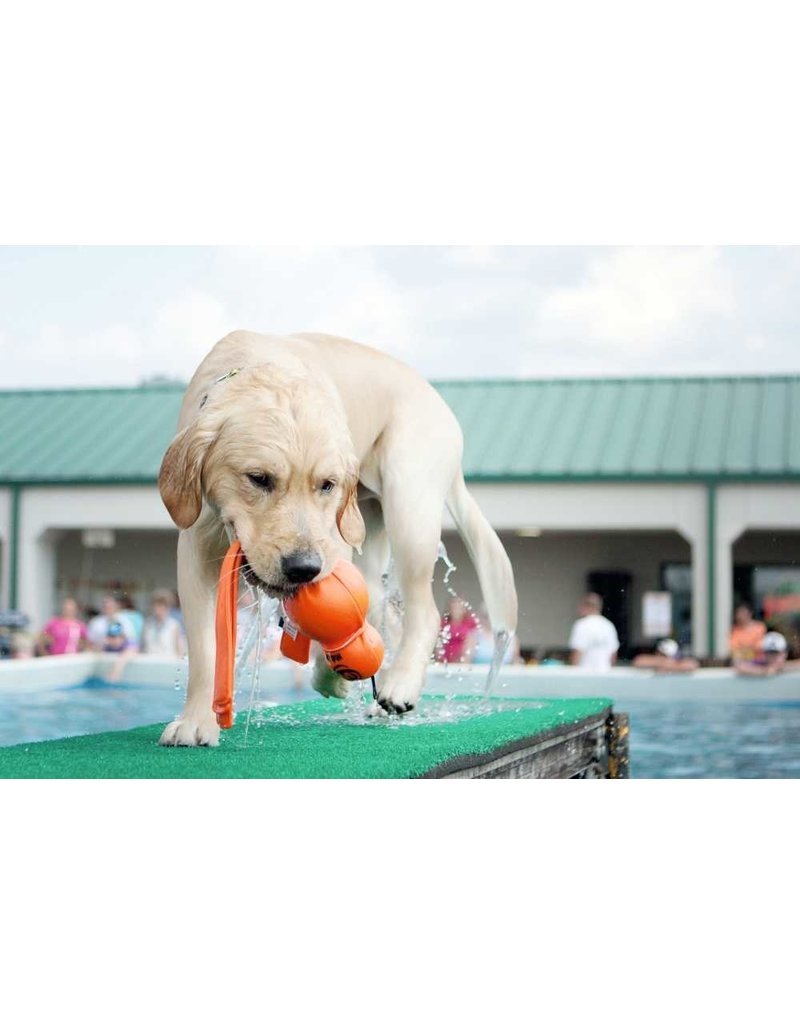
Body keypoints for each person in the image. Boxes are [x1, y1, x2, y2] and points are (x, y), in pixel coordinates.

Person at [568, 593, 619, 671]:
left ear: (588, 606)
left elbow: (577, 652)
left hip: (585, 674)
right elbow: (613, 656)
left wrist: (572, 672)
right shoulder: (609, 625)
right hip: (604, 673)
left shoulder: (582, 625)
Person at [734, 631, 800, 677]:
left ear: (784, 654)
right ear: (764, 653)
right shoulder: (760, 663)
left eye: (776, 653)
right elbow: (739, 666)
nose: (773, 657)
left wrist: (779, 668)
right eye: (770, 653)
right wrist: (764, 671)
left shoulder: (784, 665)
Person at [141, 590, 185, 657]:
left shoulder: (174, 625)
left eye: (163, 606)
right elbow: (142, 646)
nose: (159, 609)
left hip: (168, 663)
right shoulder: (147, 624)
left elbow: (179, 649)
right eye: (157, 606)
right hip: (149, 662)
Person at [438, 596, 479, 664]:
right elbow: (439, 643)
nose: (456, 610)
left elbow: (471, 643)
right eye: (453, 607)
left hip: (463, 657)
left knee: (470, 640)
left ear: (464, 609)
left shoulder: (470, 623)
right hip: (445, 658)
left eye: (458, 607)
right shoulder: (443, 623)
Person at [632, 637, 699, 674]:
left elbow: (693, 665)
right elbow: (637, 661)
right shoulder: (655, 661)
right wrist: (662, 663)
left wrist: (669, 666)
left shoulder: (678, 662)